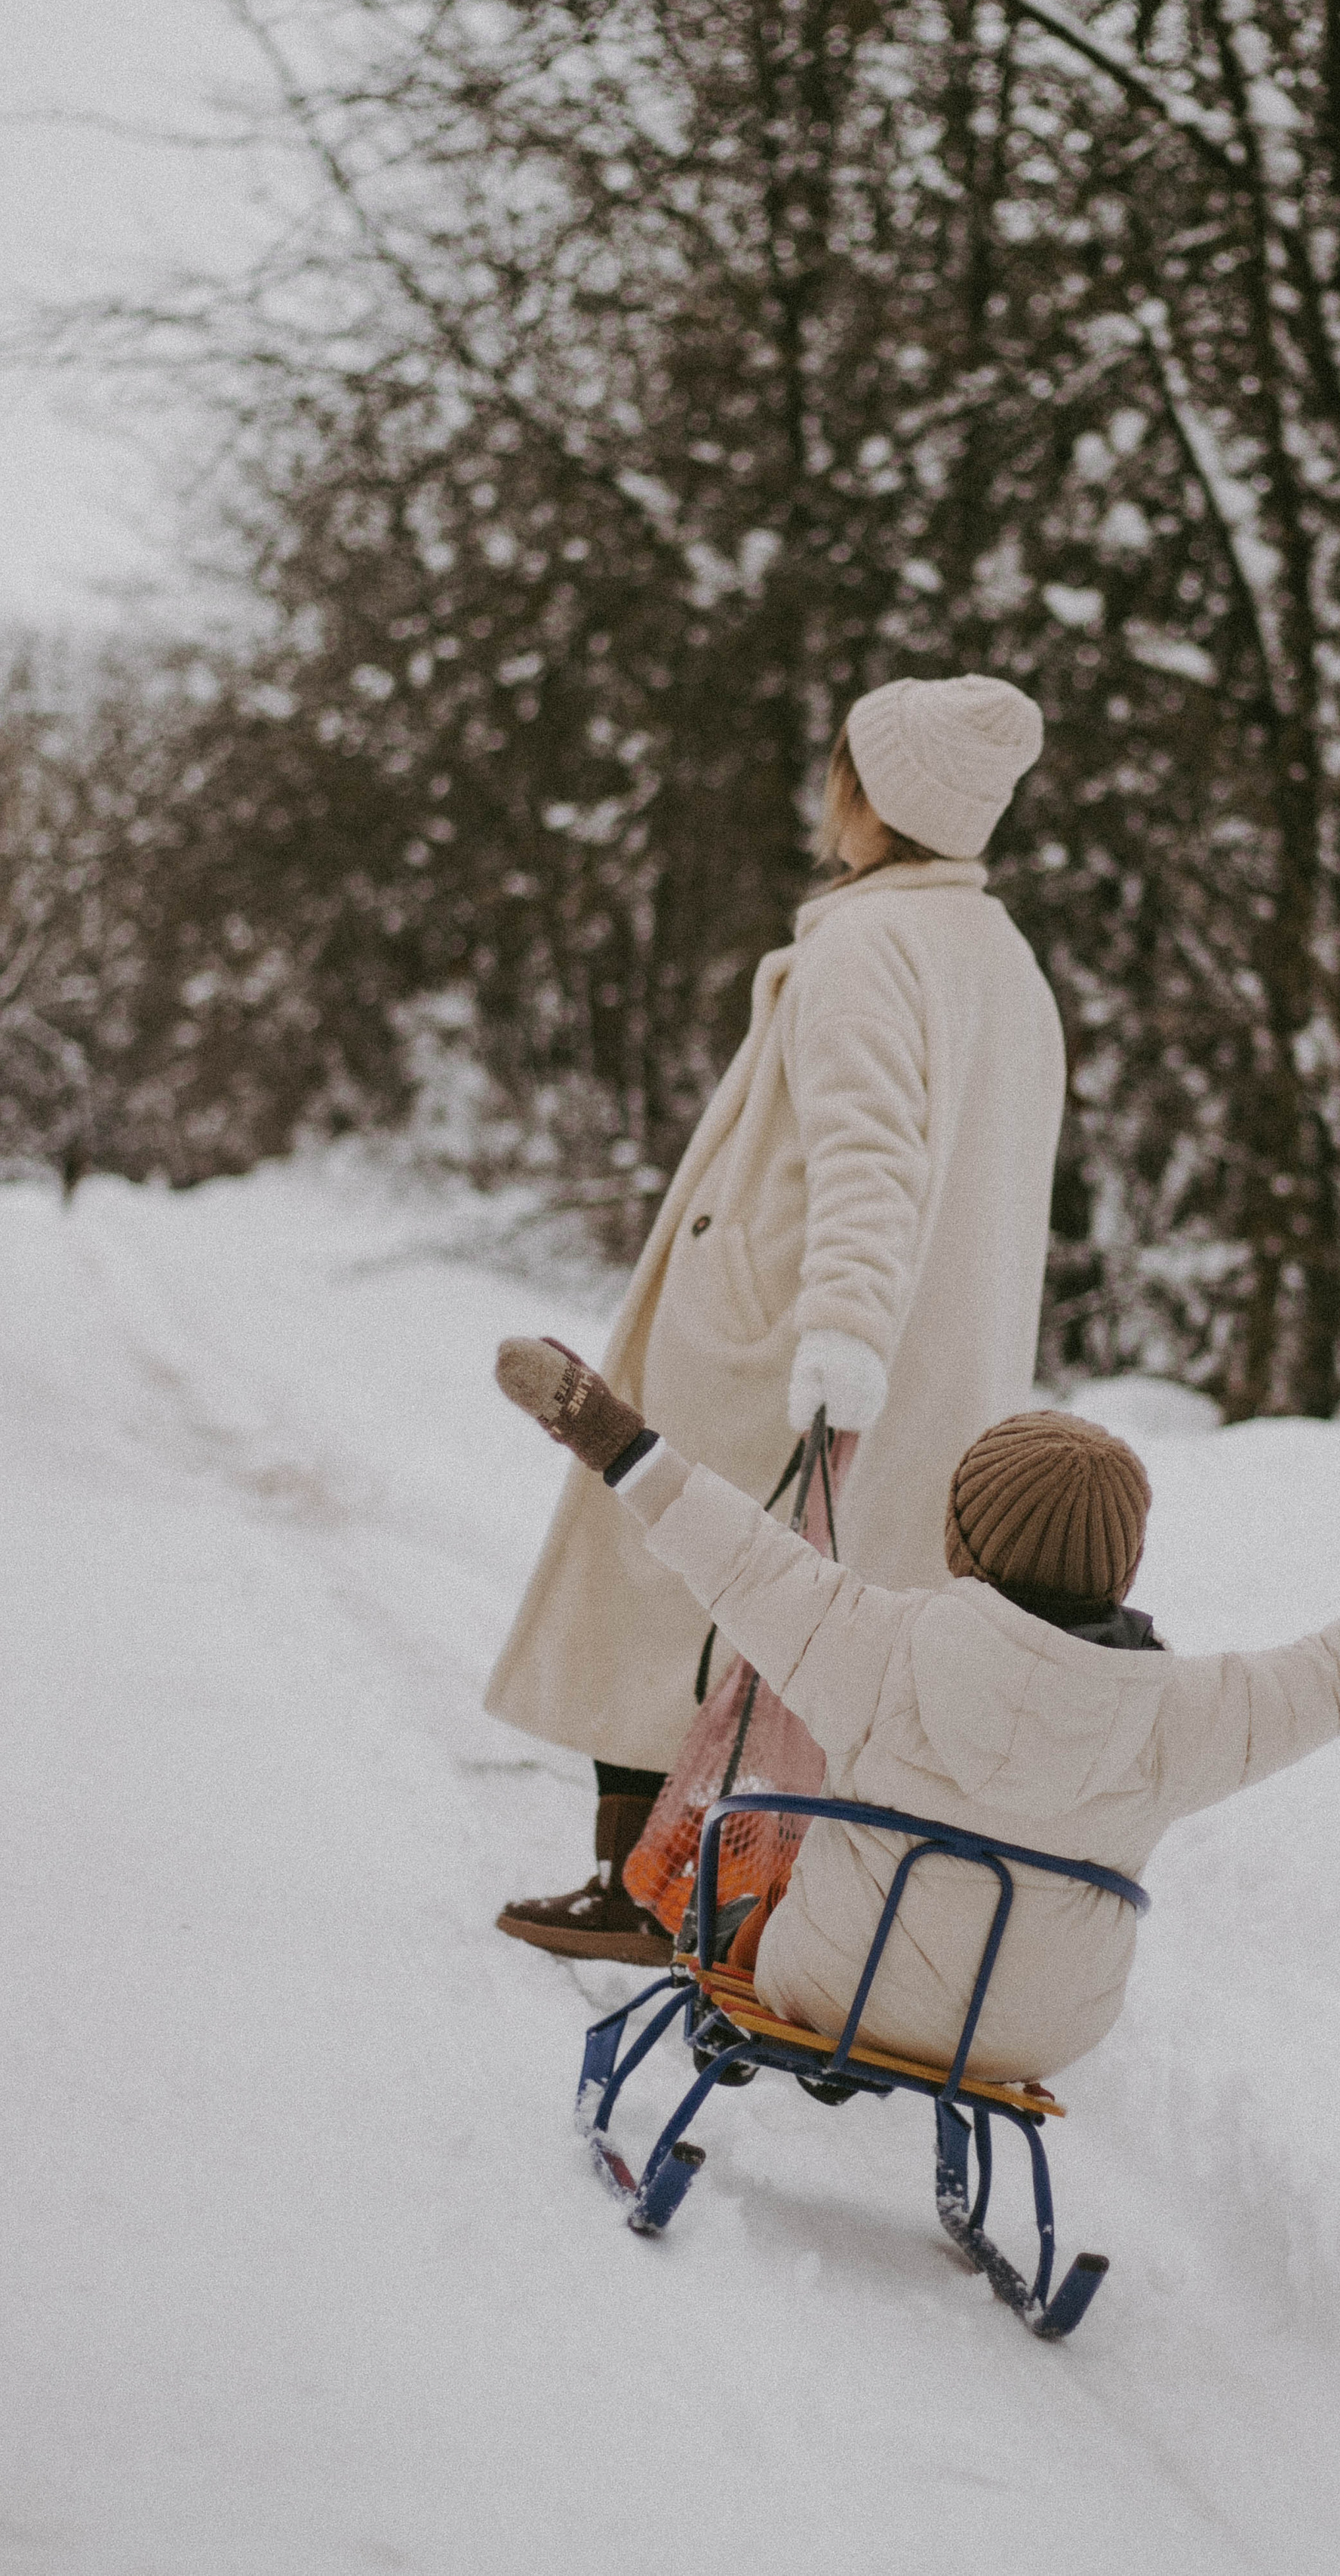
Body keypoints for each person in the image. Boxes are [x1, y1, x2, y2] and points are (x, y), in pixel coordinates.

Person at [494, 1338, 1340, 2084]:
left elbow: (736, 1553)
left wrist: (607, 1433)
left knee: (757, 1885)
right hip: (1033, 2033)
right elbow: (1327, 1679)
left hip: (832, 1985)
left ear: (963, 1542)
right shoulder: (1179, 1715)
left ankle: (744, 2022)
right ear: (1120, 1570)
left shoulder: (884, 1645)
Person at [487, 674, 1065, 1963]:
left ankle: (647, 1886)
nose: (826, 794)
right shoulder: (1004, 960)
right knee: (837, 1632)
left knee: (675, 1587)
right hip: (940, 1362)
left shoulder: (868, 943)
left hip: (793, 1342)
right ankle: (773, 1899)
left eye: (842, 771)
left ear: (875, 796)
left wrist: (841, 1333)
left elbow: (869, 1154)